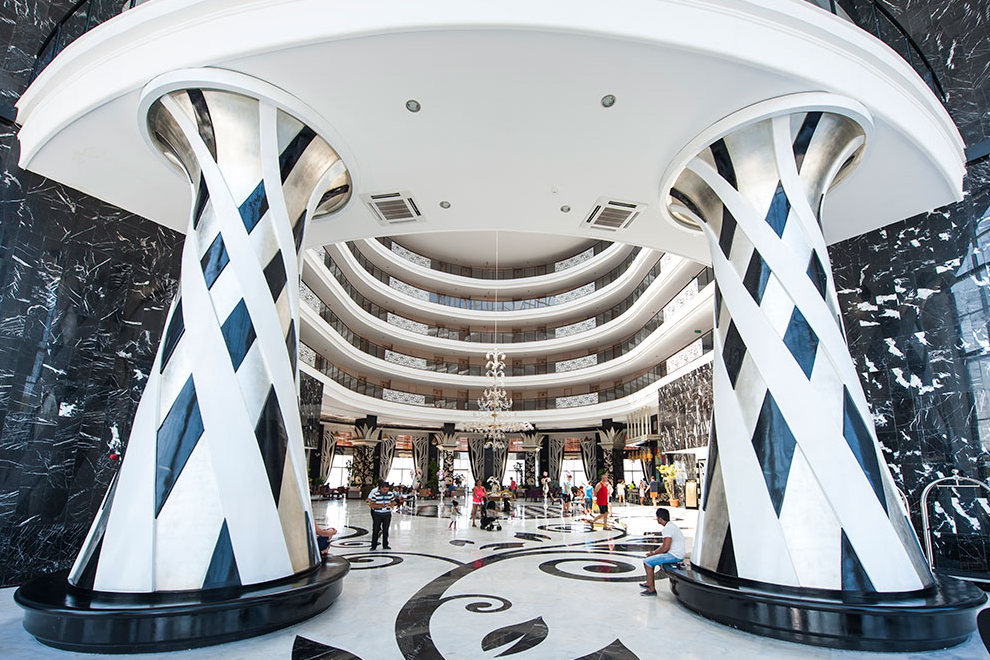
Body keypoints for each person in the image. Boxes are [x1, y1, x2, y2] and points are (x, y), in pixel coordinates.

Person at [641, 507, 685, 596]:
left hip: (675, 555)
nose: (657, 519)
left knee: (647, 562)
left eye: (657, 517)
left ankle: (651, 589)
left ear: (660, 519)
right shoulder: (671, 526)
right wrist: (654, 553)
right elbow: (664, 545)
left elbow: (665, 548)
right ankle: (649, 582)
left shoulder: (667, 529)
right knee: (651, 560)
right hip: (677, 553)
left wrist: (653, 554)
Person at [367, 480, 397, 550]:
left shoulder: (390, 494)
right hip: (377, 514)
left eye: (387, 489)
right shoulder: (375, 494)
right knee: (376, 530)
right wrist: (380, 505)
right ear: (380, 488)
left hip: (387, 514)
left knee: (386, 530)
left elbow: (394, 502)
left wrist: (391, 504)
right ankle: (373, 545)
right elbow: (371, 504)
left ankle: (385, 545)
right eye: (384, 489)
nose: (385, 491)